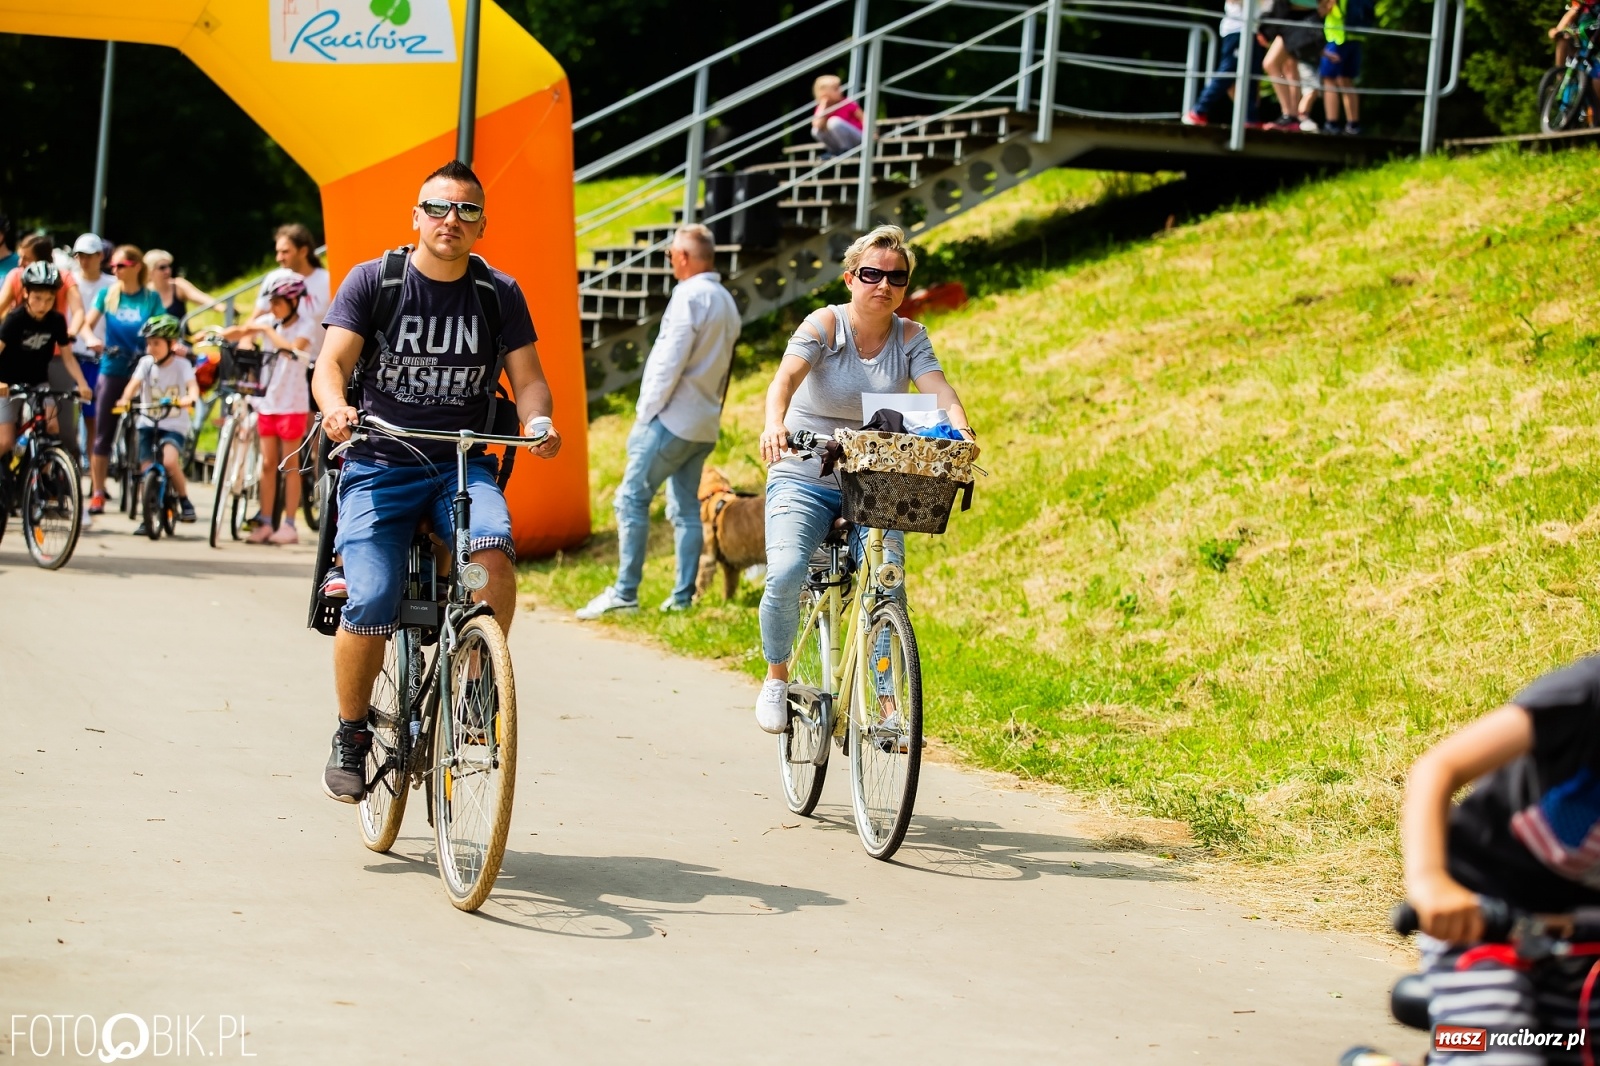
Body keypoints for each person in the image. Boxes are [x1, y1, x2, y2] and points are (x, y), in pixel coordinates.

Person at [312, 159, 563, 803]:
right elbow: (331, 364)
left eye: (467, 210)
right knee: (370, 596)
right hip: (378, 462)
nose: (451, 220)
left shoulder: (497, 293)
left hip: (460, 465)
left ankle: (476, 683)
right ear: (416, 216)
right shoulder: (375, 282)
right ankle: (351, 732)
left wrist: (537, 421)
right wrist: (336, 407)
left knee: (489, 560)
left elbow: (529, 378)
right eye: (438, 208)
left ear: (482, 223)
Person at [753, 224, 975, 732]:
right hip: (804, 474)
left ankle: (887, 706)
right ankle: (775, 675)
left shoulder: (912, 336)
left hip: (875, 485)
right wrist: (774, 425)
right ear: (851, 278)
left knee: (887, 587)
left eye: (896, 277)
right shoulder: (825, 326)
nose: (884, 285)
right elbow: (784, 379)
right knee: (785, 572)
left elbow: (938, 387)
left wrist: (960, 429)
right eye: (872, 274)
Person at [1399, 653, 1600, 1061]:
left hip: (1583, 942)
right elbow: (1438, 768)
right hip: (1484, 917)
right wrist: (1430, 881)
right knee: (1506, 1055)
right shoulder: (1586, 695)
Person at [577, 224, 741, 619]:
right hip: (703, 421)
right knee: (685, 509)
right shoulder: (725, 300)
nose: (669, 261)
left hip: (669, 418)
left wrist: (644, 413)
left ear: (683, 257)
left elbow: (668, 362)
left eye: (670, 255)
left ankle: (625, 592)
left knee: (631, 498)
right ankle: (682, 597)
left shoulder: (688, 296)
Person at [221, 275, 317, 545]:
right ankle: (265, 521)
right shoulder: (268, 323)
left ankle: (289, 524)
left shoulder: (305, 326)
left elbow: (290, 349)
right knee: (266, 464)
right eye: (271, 302)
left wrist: (266, 332)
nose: (272, 307)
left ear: (293, 301)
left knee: (290, 466)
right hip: (268, 402)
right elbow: (241, 331)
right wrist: (219, 334)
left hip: (293, 403)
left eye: (278, 302)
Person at [79, 245, 168, 513]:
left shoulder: (150, 297)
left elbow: (163, 326)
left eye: (120, 265)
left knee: (149, 426)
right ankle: (97, 491)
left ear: (136, 267)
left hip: (142, 366)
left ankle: (149, 487)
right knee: (103, 430)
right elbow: (86, 323)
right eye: (113, 266)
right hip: (112, 365)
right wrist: (91, 338)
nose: (114, 270)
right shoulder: (108, 294)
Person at [114, 315, 198, 531]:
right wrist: (125, 399)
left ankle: (184, 499)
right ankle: (147, 517)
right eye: (149, 343)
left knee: (169, 462)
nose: (151, 347)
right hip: (148, 422)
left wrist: (190, 398)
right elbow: (133, 385)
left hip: (173, 425)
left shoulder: (182, 365)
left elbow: (192, 386)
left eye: (157, 343)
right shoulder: (146, 364)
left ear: (171, 344)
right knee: (145, 469)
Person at [0, 262, 93, 456]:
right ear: (25, 293)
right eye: (37, 298)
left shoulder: (56, 321)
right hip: (7, 384)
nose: (43, 305)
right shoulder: (15, 319)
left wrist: (82, 383)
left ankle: (43, 477)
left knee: (51, 428)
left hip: (38, 382)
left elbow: (68, 357)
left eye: (49, 299)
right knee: (5, 441)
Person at [67, 233, 112, 486]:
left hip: (99, 357)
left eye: (88, 255)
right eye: (79, 256)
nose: (83, 261)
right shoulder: (69, 281)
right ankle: (68, 474)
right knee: (66, 419)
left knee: (94, 419)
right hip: (70, 354)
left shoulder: (111, 284)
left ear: (100, 256)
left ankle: (97, 483)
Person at [1184, 0, 1269, 126]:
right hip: (1237, 30)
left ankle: (1250, 119)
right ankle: (1197, 111)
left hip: (1252, 31)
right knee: (1227, 73)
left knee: (1251, 76)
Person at [255, 223, 330, 326]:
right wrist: (245, 340)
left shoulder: (327, 281)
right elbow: (255, 320)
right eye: (278, 252)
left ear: (303, 251)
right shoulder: (273, 279)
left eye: (285, 252)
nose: (279, 258)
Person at [1318, 0, 1364, 135]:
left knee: (1329, 80)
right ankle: (1353, 124)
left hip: (1337, 38)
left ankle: (1331, 123)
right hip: (1356, 38)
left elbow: (1324, 10)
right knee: (1347, 80)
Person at [145, 249, 213, 322]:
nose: (168, 271)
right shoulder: (144, 294)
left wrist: (222, 307)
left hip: (185, 333)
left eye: (169, 266)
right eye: (162, 267)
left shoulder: (178, 285)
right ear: (150, 271)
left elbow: (204, 300)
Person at [810, 75, 866, 157]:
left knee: (834, 122)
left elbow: (863, 117)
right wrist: (824, 104)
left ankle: (847, 150)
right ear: (824, 93)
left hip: (857, 137)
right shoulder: (822, 108)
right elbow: (817, 125)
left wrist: (871, 132)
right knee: (815, 130)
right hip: (838, 143)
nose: (840, 91)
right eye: (836, 89)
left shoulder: (846, 103)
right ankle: (834, 151)